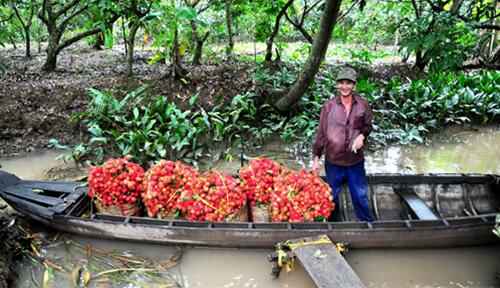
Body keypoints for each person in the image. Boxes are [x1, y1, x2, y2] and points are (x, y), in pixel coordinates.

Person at [311, 66, 374, 222]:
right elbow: (321, 133)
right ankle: (335, 225)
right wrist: (316, 158)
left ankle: (367, 225)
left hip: (355, 161)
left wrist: (362, 136)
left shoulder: (362, 104)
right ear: (337, 85)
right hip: (334, 161)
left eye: (348, 83)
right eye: (341, 83)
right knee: (332, 197)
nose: (344, 86)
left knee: (360, 195)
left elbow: (368, 126)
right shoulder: (329, 106)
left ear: (354, 85)